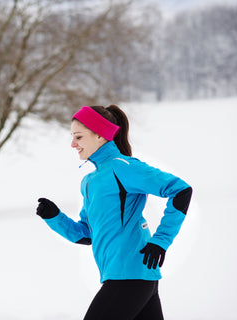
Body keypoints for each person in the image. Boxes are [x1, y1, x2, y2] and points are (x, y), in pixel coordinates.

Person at [36, 105, 192, 320]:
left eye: (79, 137)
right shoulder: (89, 181)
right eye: (72, 137)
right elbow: (86, 235)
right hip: (127, 275)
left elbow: (181, 190)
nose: (73, 144)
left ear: (100, 135)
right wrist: (54, 217)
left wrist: (160, 241)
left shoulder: (123, 167)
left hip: (129, 274)